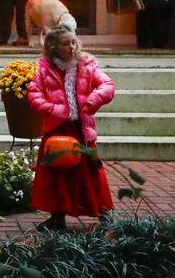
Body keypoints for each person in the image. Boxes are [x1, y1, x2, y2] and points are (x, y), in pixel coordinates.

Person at [26, 26, 116, 230]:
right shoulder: (44, 70)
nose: (72, 47)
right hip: (58, 130)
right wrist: (55, 109)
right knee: (56, 174)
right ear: (53, 47)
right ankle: (57, 217)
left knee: (90, 170)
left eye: (74, 42)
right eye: (66, 44)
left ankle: (104, 213)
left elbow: (107, 85)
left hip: (81, 129)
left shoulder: (87, 65)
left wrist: (93, 100)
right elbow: (34, 95)